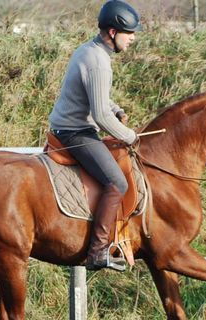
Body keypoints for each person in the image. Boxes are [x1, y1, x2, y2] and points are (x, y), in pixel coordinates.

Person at [49, 0, 142, 271]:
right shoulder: (99, 61)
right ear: (113, 32)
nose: (133, 38)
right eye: (130, 33)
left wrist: (117, 108)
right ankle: (98, 251)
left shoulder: (90, 50)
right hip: (76, 132)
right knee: (117, 181)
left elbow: (96, 96)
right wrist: (129, 135)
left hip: (73, 126)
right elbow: (100, 116)